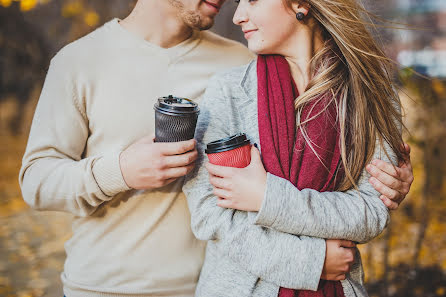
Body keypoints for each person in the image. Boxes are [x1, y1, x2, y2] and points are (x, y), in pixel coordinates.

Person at [19, 0, 412, 296]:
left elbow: (362, 189)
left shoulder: (244, 57)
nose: (235, 7)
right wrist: (119, 170)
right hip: (104, 288)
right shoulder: (79, 61)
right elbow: (36, 181)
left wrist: (389, 182)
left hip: (216, 282)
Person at [183, 0, 413, 296]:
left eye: (251, 0)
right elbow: (209, 213)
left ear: (300, 4)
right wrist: (312, 262)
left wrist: (267, 197)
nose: (239, 16)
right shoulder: (228, 91)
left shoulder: (372, 95)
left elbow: (370, 211)